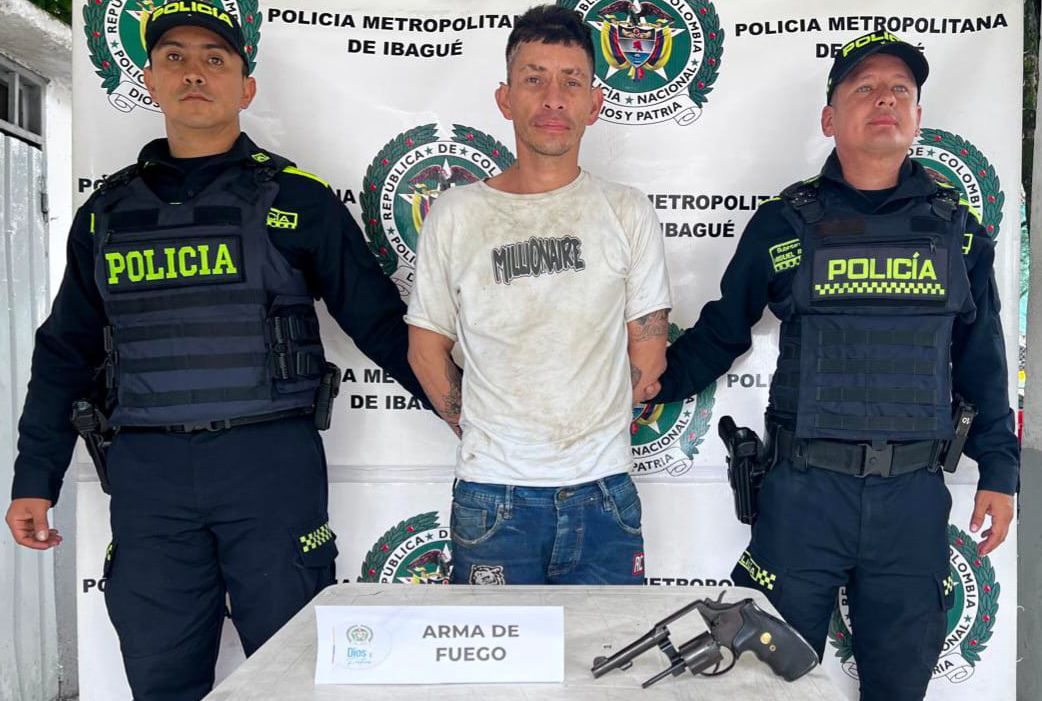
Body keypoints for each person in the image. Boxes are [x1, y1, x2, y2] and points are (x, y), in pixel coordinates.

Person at [4, 5, 429, 699]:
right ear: (150, 80)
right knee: (161, 679)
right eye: (174, 57)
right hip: (149, 476)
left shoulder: (299, 200)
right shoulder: (105, 214)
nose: (194, 72)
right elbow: (64, 353)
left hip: (268, 466)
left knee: (294, 676)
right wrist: (34, 476)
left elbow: (380, 324)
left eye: (214, 59)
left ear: (245, 87)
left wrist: (465, 409)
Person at [648, 31, 1019, 701]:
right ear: (830, 118)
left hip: (910, 501)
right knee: (763, 687)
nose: (886, 100)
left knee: (899, 688)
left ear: (917, 117)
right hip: (804, 497)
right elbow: (723, 332)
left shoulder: (958, 232)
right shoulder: (786, 224)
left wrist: (1000, 470)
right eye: (865, 89)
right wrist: (651, 383)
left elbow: (983, 359)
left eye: (900, 90)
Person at [405, 4, 671, 586]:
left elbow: (649, 353)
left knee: (615, 648)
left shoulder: (626, 211)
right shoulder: (456, 214)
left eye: (571, 82)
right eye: (534, 79)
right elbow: (425, 348)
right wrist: (484, 429)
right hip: (493, 496)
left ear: (594, 103)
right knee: (502, 653)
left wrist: (590, 432)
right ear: (505, 99)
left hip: (604, 494)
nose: (553, 99)